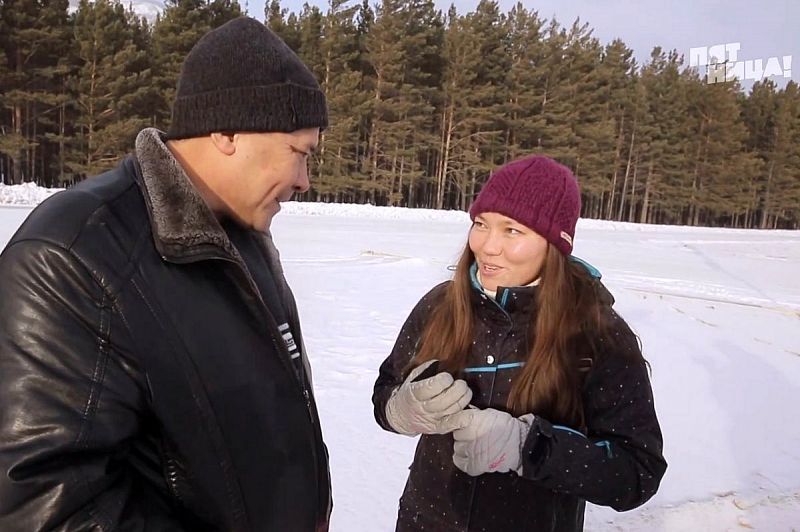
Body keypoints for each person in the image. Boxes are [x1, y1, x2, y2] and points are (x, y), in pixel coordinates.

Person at [0, 17, 331, 531]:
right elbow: (44, 501)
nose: (306, 181)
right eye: (299, 153)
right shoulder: (75, 254)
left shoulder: (241, 236)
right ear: (226, 131)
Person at [373, 155, 667, 531]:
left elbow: (637, 474)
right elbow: (385, 393)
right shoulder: (440, 306)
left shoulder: (595, 333)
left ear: (553, 244)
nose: (487, 247)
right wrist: (401, 410)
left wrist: (529, 447)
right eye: (481, 224)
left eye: (512, 230)